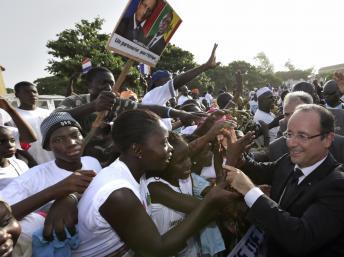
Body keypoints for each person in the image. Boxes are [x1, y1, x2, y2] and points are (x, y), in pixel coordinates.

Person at [74, 109, 238, 256]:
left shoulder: (136, 173)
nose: (171, 148)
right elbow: (155, 250)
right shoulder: (120, 193)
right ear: (137, 150)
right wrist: (209, 203)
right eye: (164, 143)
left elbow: (186, 152)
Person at [226, 104, 344, 257]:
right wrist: (239, 156)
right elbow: (263, 172)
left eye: (302, 136)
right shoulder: (290, 161)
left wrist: (250, 191)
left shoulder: (337, 185)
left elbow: (301, 238)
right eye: (289, 134)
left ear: (327, 139)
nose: (291, 143)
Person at [0, 112, 101, 256]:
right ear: (48, 146)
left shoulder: (92, 162)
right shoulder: (34, 176)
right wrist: (56, 191)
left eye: (74, 135)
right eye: (59, 140)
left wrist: (70, 197)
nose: (71, 143)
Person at [13, 82, 54, 164]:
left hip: (54, 159)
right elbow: (14, 141)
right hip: (30, 163)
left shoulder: (49, 113)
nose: (32, 94)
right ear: (17, 95)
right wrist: (30, 159)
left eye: (34, 92)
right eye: (26, 92)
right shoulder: (13, 115)